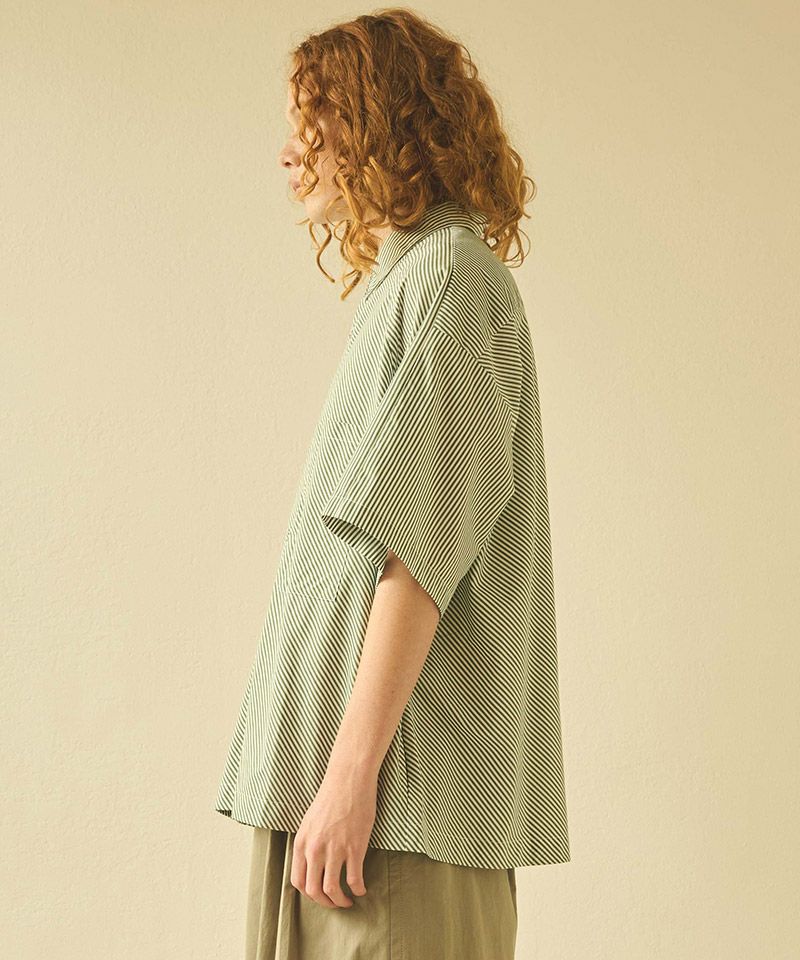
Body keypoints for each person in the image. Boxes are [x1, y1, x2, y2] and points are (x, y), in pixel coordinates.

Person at [215, 9, 570, 958]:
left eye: (313, 121)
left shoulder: (451, 281)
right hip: (355, 807)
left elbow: (419, 556)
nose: (290, 151)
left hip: (392, 814)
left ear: (383, 122)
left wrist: (349, 778)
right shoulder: (413, 283)